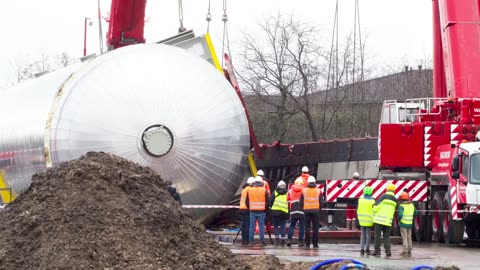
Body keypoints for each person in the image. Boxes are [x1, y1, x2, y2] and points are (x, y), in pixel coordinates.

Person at [372, 183, 398, 257]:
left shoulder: (383, 196)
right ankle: (388, 252)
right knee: (386, 236)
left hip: (379, 220)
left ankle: (377, 251)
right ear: (394, 191)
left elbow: (376, 206)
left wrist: (373, 215)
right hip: (388, 221)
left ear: (387, 189)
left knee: (377, 236)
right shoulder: (395, 200)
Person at [246, 176, 269, 246]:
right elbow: (268, 202)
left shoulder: (250, 190)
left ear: (254, 182)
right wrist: (265, 209)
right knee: (261, 227)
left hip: (252, 211)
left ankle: (250, 241)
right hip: (261, 211)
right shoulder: (264, 190)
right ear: (261, 183)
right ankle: (262, 241)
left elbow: (246, 201)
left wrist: (250, 208)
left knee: (251, 227)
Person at [300, 176, 322, 248]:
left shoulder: (304, 190)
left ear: (308, 182)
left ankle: (307, 243)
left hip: (306, 210)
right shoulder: (318, 190)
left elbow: (301, 202)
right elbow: (321, 201)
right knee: (315, 227)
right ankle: (315, 244)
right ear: (315, 182)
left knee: (307, 227)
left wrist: (303, 208)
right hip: (316, 210)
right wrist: (319, 209)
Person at [269, 180, 289, 246]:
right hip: (283, 212)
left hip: (275, 212)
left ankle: (277, 239)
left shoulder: (275, 192)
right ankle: (283, 240)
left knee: (275, 226)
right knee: (283, 227)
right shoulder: (287, 193)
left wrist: (271, 207)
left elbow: (270, 200)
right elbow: (289, 202)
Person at [287, 178, 305, 247]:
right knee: (301, 226)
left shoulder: (290, 190)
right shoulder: (304, 190)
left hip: (293, 209)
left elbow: (287, 199)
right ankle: (300, 241)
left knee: (292, 225)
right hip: (301, 209)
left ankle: (289, 239)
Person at [357, 186, 375, 255]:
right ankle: (367, 249)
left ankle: (361, 249)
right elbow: (374, 210)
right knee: (368, 235)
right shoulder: (373, 201)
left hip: (362, 219)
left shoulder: (360, 200)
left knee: (362, 234)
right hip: (369, 220)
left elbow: (358, 210)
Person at [398, 191, 417, 256]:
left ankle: (404, 250)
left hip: (403, 224)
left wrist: (399, 220)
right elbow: (416, 213)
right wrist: (412, 219)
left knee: (404, 237)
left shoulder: (402, 206)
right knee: (409, 237)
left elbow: (400, 215)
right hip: (409, 223)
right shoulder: (412, 205)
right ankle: (409, 250)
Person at [239, 177, 255, 245]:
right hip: (247, 209)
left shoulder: (244, 189)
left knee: (243, 225)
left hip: (242, 208)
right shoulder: (249, 189)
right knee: (247, 225)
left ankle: (243, 240)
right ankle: (246, 240)